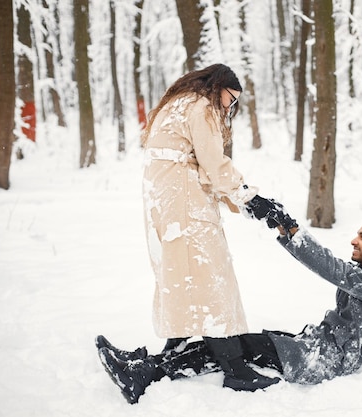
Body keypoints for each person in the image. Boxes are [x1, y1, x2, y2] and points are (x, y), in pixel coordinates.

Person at [97, 204, 362, 404]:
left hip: (325, 360)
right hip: (316, 345)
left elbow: (332, 268)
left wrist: (290, 231)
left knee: (235, 346)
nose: (354, 240)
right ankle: (147, 364)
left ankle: (147, 375)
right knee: (236, 344)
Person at [97, 63, 280, 390]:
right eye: (229, 98)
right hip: (186, 207)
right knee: (211, 283)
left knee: (183, 283)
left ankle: (148, 364)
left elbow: (194, 162)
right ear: (216, 87)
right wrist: (250, 197)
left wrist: (236, 197)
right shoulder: (202, 107)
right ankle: (236, 370)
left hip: (166, 205)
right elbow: (213, 164)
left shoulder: (177, 104)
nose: (229, 106)